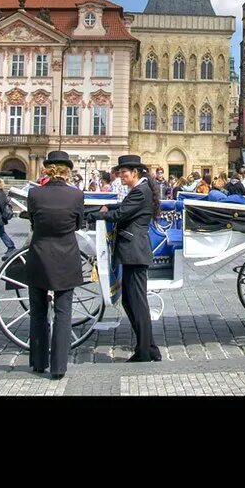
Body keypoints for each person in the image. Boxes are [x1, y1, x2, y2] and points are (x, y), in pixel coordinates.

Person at [91, 154, 162, 363]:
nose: (120, 175)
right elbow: (122, 208)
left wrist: (95, 214)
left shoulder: (140, 192)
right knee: (130, 301)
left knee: (136, 302)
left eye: (123, 172)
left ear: (135, 173)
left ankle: (145, 351)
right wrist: (108, 209)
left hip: (135, 251)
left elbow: (121, 214)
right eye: (119, 172)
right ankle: (149, 348)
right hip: (132, 251)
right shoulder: (139, 190)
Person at [24, 150, 85, 380]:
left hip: (39, 255)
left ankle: (38, 361)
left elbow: (32, 221)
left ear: (47, 169)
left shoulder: (34, 194)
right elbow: (78, 224)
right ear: (67, 171)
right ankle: (58, 366)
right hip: (66, 257)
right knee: (63, 312)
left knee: (38, 311)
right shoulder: (76, 196)